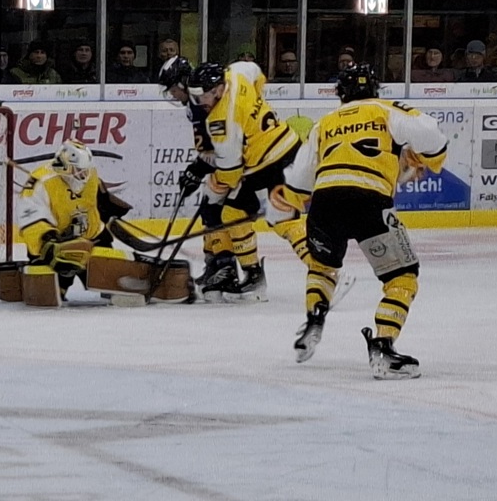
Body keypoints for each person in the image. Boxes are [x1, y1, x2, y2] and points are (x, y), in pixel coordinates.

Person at [281, 63, 447, 379]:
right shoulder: (384, 109)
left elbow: (300, 181)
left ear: (340, 94)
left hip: (325, 200)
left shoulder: (324, 124)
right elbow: (430, 133)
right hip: (369, 200)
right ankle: (383, 346)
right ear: (375, 89)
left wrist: (290, 201)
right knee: (402, 276)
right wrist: (432, 158)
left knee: (322, 266)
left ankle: (315, 317)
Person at [185, 60, 310, 303]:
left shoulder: (220, 122)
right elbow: (256, 72)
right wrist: (254, 111)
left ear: (218, 90)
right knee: (233, 213)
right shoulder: (236, 74)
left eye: (203, 97)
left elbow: (231, 173)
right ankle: (254, 275)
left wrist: (213, 188)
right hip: (289, 146)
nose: (201, 103)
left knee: (283, 221)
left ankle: (325, 272)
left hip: (268, 165)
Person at [158, 56, 238, 301]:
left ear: (183, 83)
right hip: (226, 162)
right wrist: (199, 167)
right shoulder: (197, 102)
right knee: (209, 209)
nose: (172, 95)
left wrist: (198, 168)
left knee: (214, 210)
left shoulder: (201, 102)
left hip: (236, 162)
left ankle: (225, 266)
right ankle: (215, 263)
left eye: (173, 90)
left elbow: (220, 143)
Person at [18, 140, 112, 299]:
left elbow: (92, 201)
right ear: (66, 167)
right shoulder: (41, 181)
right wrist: (49, 240)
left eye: (86, 170)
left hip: (91, 237)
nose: (85, 175)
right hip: (56, 244)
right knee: (49, 291)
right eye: (79, 170)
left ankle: (107, 283)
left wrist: (108, 204)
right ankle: (57, 285)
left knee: (110, 277)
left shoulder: (90, 175)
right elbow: (31, 219)